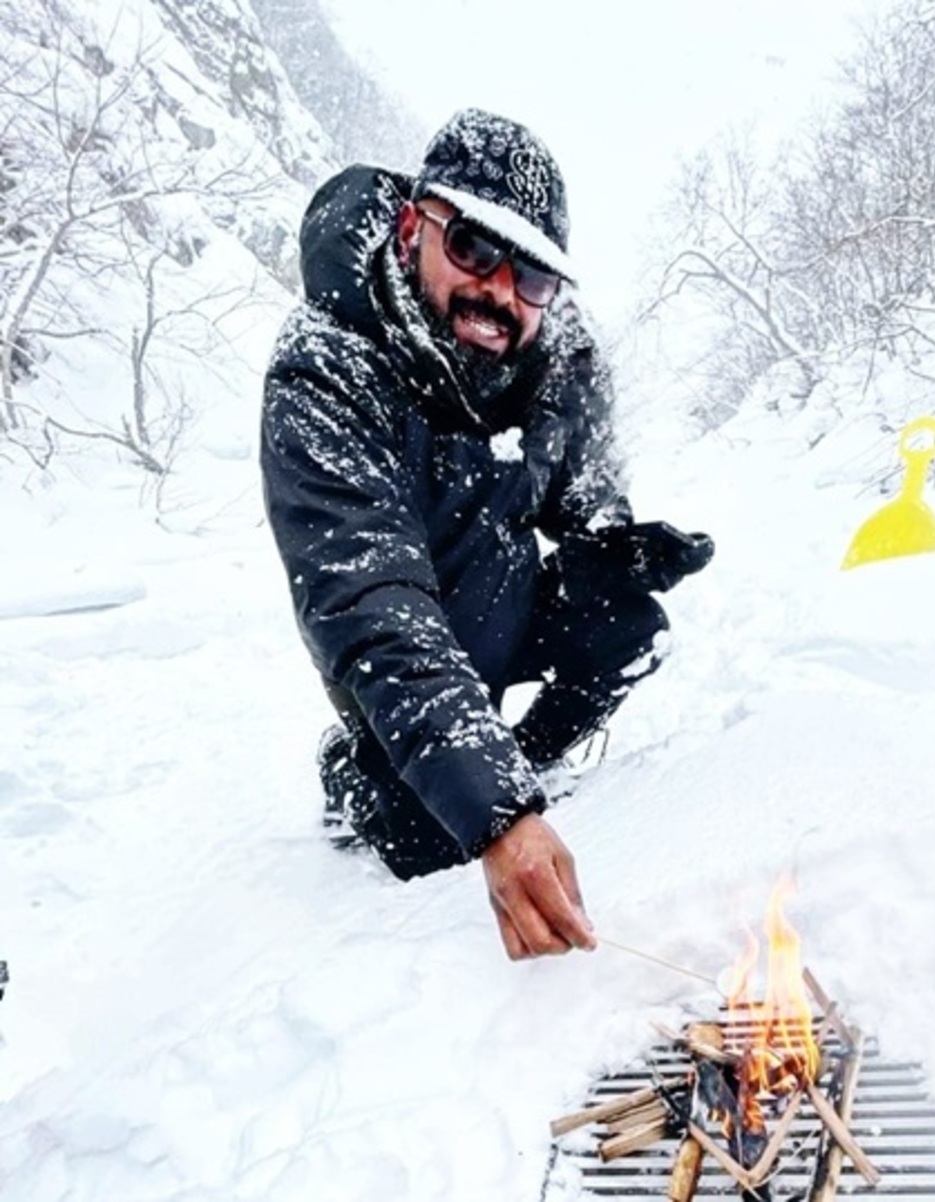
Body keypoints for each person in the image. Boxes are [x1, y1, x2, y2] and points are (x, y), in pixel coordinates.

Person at [260, 109, 713, 960]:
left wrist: (611, 550)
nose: (500, 292)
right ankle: (369, 775)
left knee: (630, 631)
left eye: (533, 277)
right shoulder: (327, 366)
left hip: (506, 599)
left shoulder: (560, 354)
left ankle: (511, 761)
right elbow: (371, 604)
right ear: (413, 227)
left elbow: (582, 497)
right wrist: (500, 818)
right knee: (436, 839)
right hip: (405, 638)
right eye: (473, 247)